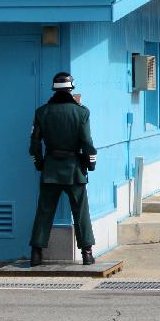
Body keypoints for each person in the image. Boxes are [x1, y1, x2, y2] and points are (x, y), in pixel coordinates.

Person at [29, 72, 97, 266]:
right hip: (74, 169)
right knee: (81, 211)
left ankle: (36, 253)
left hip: (50, 169)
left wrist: (40, 164)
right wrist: (90, 164)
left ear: (54, 90)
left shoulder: (42, 112)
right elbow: (87, 143)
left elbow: (34, 145)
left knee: (44, 211)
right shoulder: (82, 112)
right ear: (71, 89)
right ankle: (87, 253)